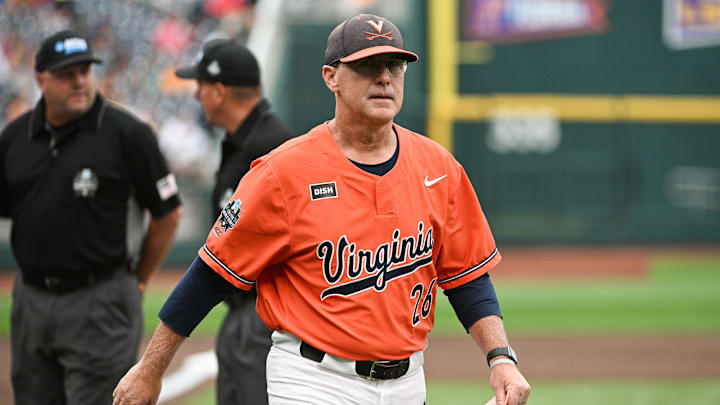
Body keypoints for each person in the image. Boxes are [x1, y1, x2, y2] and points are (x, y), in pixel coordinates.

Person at [113, 13, 531, 405]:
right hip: (312, 378)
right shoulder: (283, 172)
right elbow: (210, 274)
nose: (385, 77)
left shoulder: (438, 167)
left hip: (408, 381)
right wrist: (151, 369)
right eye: (368, 66)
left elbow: (467, 277)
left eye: (395, 65)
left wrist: (500, 358)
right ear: (331, 76)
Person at [0, 30, 182, 405]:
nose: (79, 81)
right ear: (40, 80)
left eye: (85, 71)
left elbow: (168, 215)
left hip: (100, 298)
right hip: (31, 297)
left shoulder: (127, 133)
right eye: (67, 74)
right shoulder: (16, 138)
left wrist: (138, 281)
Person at [174, 38, 296, 405]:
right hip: (243, 313)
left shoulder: (273, 146)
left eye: (200, 86)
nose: (196, 95)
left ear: (219, 91)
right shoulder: (244, 141)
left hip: (265, 317)